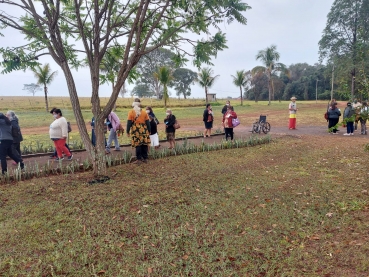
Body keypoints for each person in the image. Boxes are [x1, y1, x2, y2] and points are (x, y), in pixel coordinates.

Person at [126, 98, 151, 163]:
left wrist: (127, 131)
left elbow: (129, 123)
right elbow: (148, 122)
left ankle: (139, 159)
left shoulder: (131, 112)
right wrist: (149, 130)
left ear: (134, 104)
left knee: (138, 144)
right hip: (143, 129)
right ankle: (145, 158)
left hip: (135, 129)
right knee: (144, 144)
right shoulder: (144, 112)